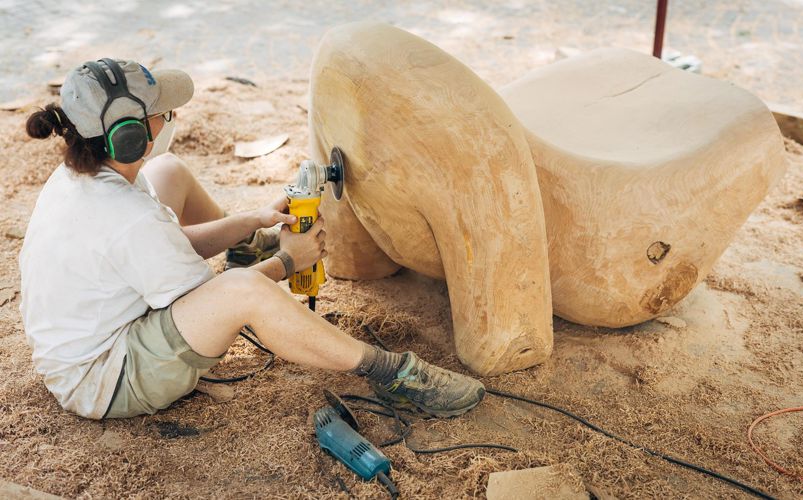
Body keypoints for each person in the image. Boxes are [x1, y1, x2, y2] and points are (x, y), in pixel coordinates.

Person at [19, 58, 485, 420]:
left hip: (91, 339)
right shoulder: (125, 218)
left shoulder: (89, 175)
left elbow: (165, 242)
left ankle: (247, 252)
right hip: (105, 379)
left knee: (170, 171)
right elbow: (214, 299)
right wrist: (286, 263)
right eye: (163, 113)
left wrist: (252, 221)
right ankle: (393, 374)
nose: (172, 117)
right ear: (127, 137)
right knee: (242, 289)